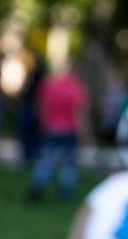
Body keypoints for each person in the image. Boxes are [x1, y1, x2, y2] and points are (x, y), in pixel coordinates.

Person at [26, 64, 88, 202]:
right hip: (68, 131)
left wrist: (43, 124)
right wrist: (82, 134)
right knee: (68, 164)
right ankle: (65, 193)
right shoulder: (76, 89)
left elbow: (41, 106)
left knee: (46, 160)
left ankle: (37, 186)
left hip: (51, 128)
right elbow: (78, 114)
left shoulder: (51, 86)